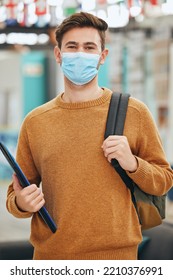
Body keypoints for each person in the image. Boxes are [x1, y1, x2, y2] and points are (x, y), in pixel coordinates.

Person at [6, 12, 173, 260]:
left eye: (89, 47)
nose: (80, 53)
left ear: (102, 56)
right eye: (72, 47)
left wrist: (133, 164)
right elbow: (15, 195)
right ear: (58, 54)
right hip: (52, 259)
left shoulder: (134, 112)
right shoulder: (36, 122)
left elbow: (164, 181)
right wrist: (21, 203)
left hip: (118, 260)